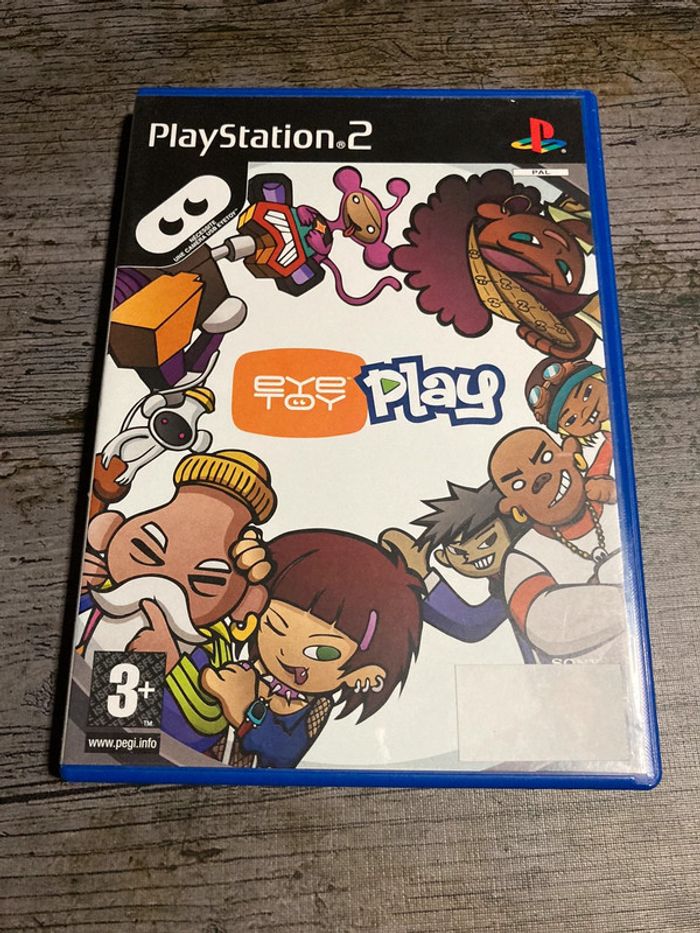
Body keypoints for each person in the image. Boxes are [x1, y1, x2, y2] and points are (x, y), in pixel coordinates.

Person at [188, 529, 423, 768]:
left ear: (364, 671)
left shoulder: (316, 707)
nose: (286, 653)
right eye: (275, 626)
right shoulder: (244, 667)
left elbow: (284, 755)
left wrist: (243, 709)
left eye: (322, 652)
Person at [488, 427, 625, 662]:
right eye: (519, 484)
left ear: (574, 456)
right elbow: (545, 625)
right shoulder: (523, 556)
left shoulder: (617, 506)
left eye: (546, 458)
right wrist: (624, 594)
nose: (540, 479)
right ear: (515, 509)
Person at [380, 481, 536, 661]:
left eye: (488, 542)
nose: (472, 556)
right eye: (458, 552)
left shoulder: (526, 575)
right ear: (443, 558)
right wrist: (420, 574)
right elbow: (471, 624)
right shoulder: (507, 584)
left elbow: (473, 625)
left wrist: (422, 574)